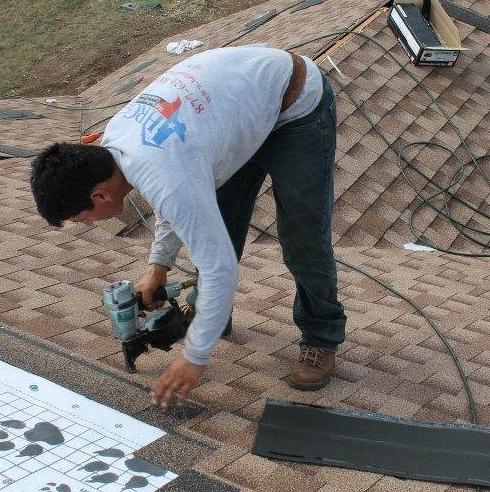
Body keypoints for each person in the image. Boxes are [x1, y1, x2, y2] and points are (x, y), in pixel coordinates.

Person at [30, 46, 347, 408]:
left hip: (295, 104)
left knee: (302, 238)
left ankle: (321, 335)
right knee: (220, 227)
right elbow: (175, 201)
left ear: (100, 195)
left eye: (79, 217)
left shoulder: (165, 173)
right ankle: (214, 314)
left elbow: (218, 265)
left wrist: (194, 358)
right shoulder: (117, 143)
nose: (85, 223)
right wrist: (157, 268)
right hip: (234, 113)